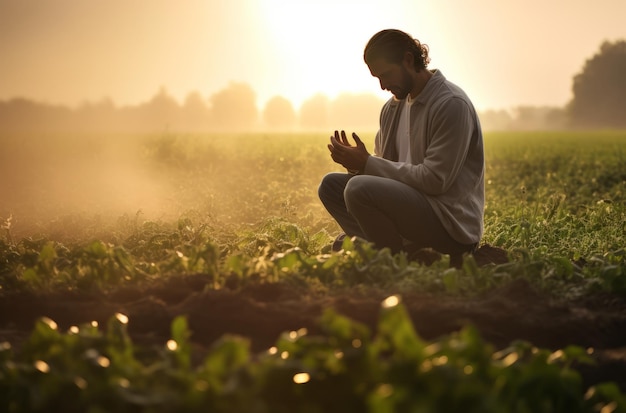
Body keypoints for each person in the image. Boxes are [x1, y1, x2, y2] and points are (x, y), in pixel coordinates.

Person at [318, 28, 485, 267]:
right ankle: (389, 246)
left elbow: (435, 181)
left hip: (449, 225)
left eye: (386, 75)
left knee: (358, 188)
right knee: (331, 186)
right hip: (411, 214)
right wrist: (355, 165)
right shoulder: (391, 109)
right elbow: (385, 173)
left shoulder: (450, 104)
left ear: (408, 60)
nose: (383, 85)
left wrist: (367, 163)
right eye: (377, 78)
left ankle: (391, 258)